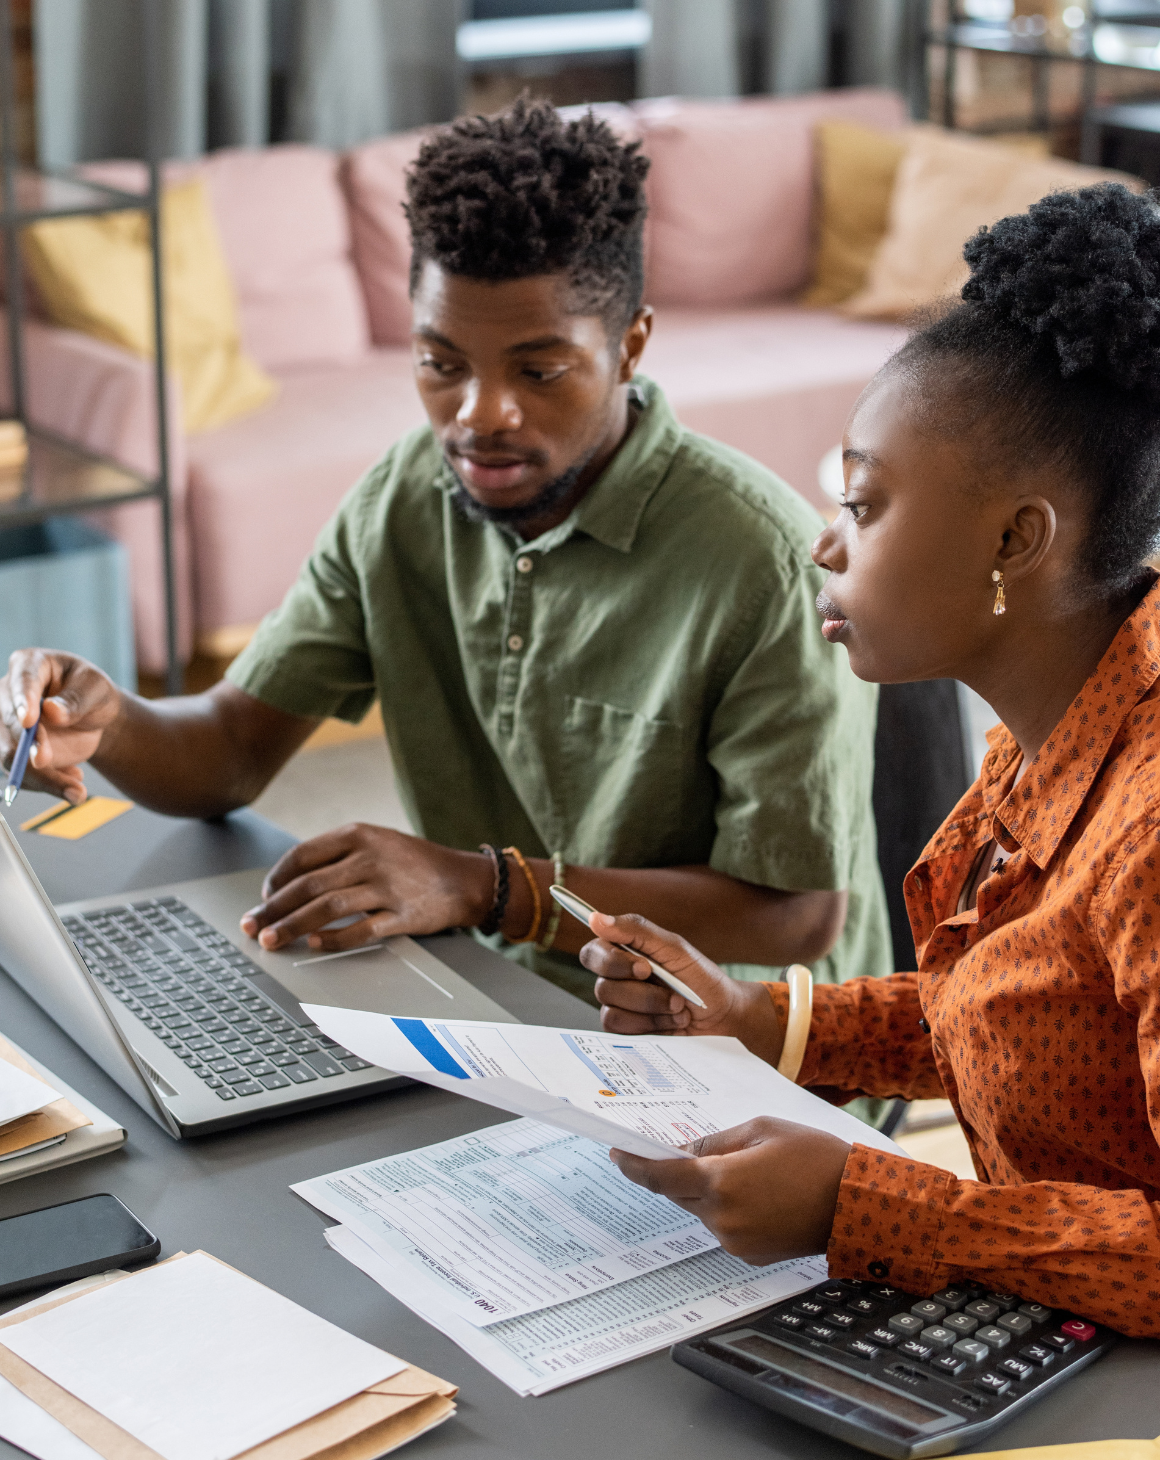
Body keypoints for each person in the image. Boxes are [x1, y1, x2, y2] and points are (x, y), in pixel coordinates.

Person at [0, 99, 889, 1006]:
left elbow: (794, 916)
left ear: (629, 347)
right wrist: (108, 719)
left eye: (537, 371)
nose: (478, 415)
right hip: (493, 1002)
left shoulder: (764, 563)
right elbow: (230, 746)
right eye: (441, 363)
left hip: (730, 1052)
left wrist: (484, 888)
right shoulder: (402, 501)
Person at [582, 182, 1160, 1337]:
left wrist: (871, 1204)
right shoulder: (1053, 728)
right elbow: (1021, 1021)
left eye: (863, 500)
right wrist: (755, 1018)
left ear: (1013, 540)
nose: (823, 541)